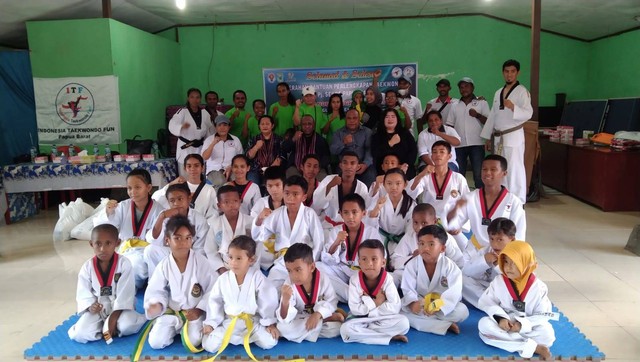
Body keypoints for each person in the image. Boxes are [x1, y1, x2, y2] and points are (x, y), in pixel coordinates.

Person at [144, 216, 214, 350]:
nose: (183, 242)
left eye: (188, 238)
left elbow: (213, 289)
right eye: (177, 238)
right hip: (172, 312)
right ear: (167, 240)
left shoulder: (201, 262)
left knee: (194, 341)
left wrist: (199, 310)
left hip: (194, 313)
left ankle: (185, 330)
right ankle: (174, 329)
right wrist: (156, 305)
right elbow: (157, 290)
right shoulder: (164, 265)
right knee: (156, 342)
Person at [68, 224, 145, 343]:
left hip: (121, 309)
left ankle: (140, 318)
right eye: (98, 244)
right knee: (80, 334)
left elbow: (126, 293)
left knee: (126, 326)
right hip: (98, 310)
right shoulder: (87, 267)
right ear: (91, 244)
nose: (103, 249)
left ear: (117, 243)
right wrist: (90, 306)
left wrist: (114, 317)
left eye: (108, 243)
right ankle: (104, 327)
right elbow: (83, 293)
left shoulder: (124, 264)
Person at [478, 241, 555, 360]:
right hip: (505, 323)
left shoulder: (539, 287)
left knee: (548, 334)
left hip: (528, 325)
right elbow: (486, 302)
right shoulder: (499, 281)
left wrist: (521, 325)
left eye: (514, 263)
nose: (508, 267)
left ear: (526, 263)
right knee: (484, 325)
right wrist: (500, 318)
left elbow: (544, 314)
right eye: (506, 262)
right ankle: (534, 347)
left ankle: (515, 343)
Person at [202, 236, 279, 354]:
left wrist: (269, 323)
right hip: (229, 323)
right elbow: (215, 302)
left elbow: (267, 300)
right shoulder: (223, 279)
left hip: (252, 322)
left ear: (251, 260)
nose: (233, 262)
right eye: (230, 257)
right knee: (209, 345)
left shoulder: (257, 277)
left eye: (239, 258)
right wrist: (211, 323)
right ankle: (240, 339)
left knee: (270, 341)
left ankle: (246, 338)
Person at [94, 169, 164, 289]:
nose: (132, 192)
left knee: (134, 267)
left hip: (144, 253)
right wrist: (109, 212)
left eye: (137, 187)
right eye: (129, 188)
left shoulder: (158, 209)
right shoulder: (122, 206)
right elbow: (104, 228)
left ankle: (128, 290)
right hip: (125, 250)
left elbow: (159, 237)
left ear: (148, 188)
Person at [252, 176, 324, 288]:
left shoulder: (309, 214)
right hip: (283, 263)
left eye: (295, 194)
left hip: (304, 262)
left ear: (304, 197)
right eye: (287, 193)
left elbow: (319, 242)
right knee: (270, 288)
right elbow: (259, 236)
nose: (290, 198)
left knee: (314, 286)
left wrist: (309, 263)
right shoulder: (277, 214)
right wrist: (260, 219)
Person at [447, 155, 526, 255]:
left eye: (493, 169)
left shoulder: (514, 201)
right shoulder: (470, 197)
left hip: (501, 253)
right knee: (465, 270)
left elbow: (519, 236)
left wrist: (509, 258)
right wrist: (455, 209)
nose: (488, 173)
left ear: (504, 173)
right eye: (484, 169)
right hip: (475, 251)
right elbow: (453, 225)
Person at [480, 59, 533, 204]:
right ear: (503, 73)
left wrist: (514, 107)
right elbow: (492, 115)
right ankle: (502, 197)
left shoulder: (522, 91)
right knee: (499, 168)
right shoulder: (498, 92)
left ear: (517, 73)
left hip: (513, 135)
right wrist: (487, 137)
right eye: (506, 71)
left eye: (512, 71)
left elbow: (529, 113)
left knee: (514, 168)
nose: (509, 75)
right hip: (498, 137)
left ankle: (518, 201)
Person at [401, 225, 469, 335]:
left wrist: (439, 305)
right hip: (421, 302)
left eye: (431, 244)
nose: (425, 248)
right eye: (421, 244)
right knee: (400, 311)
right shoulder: (412, 265)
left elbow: (454, 293)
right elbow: (408, 289)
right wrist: (413, 303)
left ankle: (428, 322)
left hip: (440, 305)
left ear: (442, 248)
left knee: (462, 311)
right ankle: (443, 325)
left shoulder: (451, 267)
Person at [340, 239, 410, 345]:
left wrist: (369, 306)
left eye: (374, 259)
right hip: (361, 319)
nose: (369, 263)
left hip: (382, 319)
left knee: (404, 323)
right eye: (364, 259)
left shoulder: (388, 279)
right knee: (345, 329)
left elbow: (395, 306)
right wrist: (376, 303)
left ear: (383, 262)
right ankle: (388, 337)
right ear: (359, 262)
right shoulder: (354, 280)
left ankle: (368, 335)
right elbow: (354, 309)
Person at [316, 193, 383, 302]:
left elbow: (379, 258)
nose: (350, 217)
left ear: (363, 213)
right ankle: (354, 297)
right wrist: (337, 242)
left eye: (354, 212)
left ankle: (343, 295)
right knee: (318, 267)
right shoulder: (336, 230)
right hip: (341, 270)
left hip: (363, 272)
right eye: (346, 213)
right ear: (341, 214)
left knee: (384, 277)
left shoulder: (371, 232)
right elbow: (327, 260)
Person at [408, 140, 470, 250]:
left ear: (449, 156)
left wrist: (460, 225)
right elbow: (411, 192)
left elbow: (467, 203)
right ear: (431, 156)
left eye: (442, 152)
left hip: (450, 223)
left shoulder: (458, 178)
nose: (438, 155)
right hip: (429, 222)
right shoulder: (426, 176)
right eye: (435, 152)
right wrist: (421, 174)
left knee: (466, 249)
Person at [277, 243, 344, 343]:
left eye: (298, 270)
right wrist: (285, 302)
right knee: (281, 328)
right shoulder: (288, 284)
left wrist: (318, 314)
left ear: (312, 267)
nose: (293, 275)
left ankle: (312, 326)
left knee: (339, 328)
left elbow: (332, 301)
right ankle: (324, 321)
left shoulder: (323, 279)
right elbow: (284, 318)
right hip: (300, 317)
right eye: (289, 271)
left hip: (317, 315)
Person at [144, 183, 210, 278]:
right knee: (150, 250)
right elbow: (152, 240)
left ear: (189, 199)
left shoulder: (199, 219)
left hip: (190, 256)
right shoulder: (164, 215)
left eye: (180, 199)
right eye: (172, 201)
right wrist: (161, 217)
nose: (176, 203)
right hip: (169, 253)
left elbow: (200, 249)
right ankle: (156, 282)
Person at [390, 204, 464, 287]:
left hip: (439, 277)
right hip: (414, 275)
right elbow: (394, 260)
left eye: (424, 223)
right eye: (415, 223)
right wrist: (412, 258)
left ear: (435, 222)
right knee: (393, 277)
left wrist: (440, 265)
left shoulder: (445, 238)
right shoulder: (409, 236)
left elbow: (459, 262)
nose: (419, 228)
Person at [446, 77, 490, 189]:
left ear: (472, 87)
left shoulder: (482, 103)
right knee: (459, 174)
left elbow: (489, 122)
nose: (464, 89)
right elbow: (450, 125)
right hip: (459, 145)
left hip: (477, 143)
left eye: (466, 86)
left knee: (478, 174)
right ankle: (459, 197)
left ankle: (480, 197)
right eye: (461, 87)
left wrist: (477, 115)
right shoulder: (455, 105)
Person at [463, 217, 516, 308]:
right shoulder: (487, 251)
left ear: (512, 239)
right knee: (462, 279)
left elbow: (516, 281)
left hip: (507, 292)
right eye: (491, 239)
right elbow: (467, 271)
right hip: (488, 289)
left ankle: (494, 306)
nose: (495, 244)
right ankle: (491, 305)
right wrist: (484, 260)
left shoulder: (519, 254)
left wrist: (497, 265)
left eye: (500, 239)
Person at [312, 151, 371, 231]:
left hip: (350, 228)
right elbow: (317, 205)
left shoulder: (362, 187)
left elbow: (364, 212)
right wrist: (329, 186)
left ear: (358, 167)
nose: (348, 166)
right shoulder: (329, 180)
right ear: (341, 165)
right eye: (345, 163)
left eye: (352, 163)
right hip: (328, 226)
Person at [204, 186, 253, 276]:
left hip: (247, 268)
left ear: (240, 202)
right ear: (219, 206)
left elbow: (257, 248)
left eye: (235, 201)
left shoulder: (250, 222)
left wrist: (250, 268)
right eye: (226, 202)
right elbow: (210, 250)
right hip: (224, 268)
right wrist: (221, 269)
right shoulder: (215, 224)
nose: (231, 205)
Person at [367, 168, 415, 259]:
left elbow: (411, 229)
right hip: (381, 238)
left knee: (400, 262)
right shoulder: (379, 200)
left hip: (402, 241)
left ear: (405, 184)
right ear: (384, 185)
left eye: (398, 183)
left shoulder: (411, 204)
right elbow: (369, 225)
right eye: (389, 183)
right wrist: (377, 208)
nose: (393, 187)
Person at [152, 154, 218, 219]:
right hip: (179, 225)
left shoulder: (209, 190)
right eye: (189, 166)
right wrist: (171, 184)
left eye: (196, 166)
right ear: (184, 168)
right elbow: (155, 199)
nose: (192, 169)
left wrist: (203, 226)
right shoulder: (178, 187)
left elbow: (213, 215)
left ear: (202, 168)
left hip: (201, 226)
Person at [168, 88, 213, 177]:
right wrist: (181, 127)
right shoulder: (182, 112)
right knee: (185, 174)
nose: (195, 100)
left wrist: (209, 144)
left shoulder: (205, 113)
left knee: (199, 173)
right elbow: (172, 124)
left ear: (200, 99)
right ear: (188, 98)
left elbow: (209, 130)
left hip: (200, 147)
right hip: (186, 148)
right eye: (192, 97)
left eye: (197, 97)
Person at [249, 166, 285, 270]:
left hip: (285, 251)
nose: (274, 189)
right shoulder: (261, 203)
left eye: (277, 185)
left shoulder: (291, 203)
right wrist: (260, 218)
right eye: (270, 186)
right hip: (264, 253)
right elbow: (254, 233)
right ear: (265, 186)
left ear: (284, 184)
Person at [330, 109, 376, 185]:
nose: (352, 121)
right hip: (345, 165)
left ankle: (365, 197)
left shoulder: (367, 132)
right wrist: (343, 143)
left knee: (370, 176)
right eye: (349, 118)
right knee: (340, 181)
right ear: (345, 119)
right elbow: (333, 151)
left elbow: (370, 151)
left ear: (359, 119)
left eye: (354, 118)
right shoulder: (338, 133)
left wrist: (365, 164)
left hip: (362, 164)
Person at [371, 108, 418, 179]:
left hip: (404, 167)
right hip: (384, 169)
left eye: (393, 117)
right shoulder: (377, 136)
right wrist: (390, 143)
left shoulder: (405, 133)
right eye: (387, 117)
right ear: (383, 119)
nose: (390, 119)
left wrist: (406, 164)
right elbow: (375, 153)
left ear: (397, 119)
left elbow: (413, 150)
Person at [201, 115, 243, 189]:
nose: (222, 128)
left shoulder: (235, 140)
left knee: (236, 180)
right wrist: (213, 143)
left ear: (229, 127)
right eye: (219, 125)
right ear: (215, 127)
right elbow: (204, 157)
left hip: (231, 169)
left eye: (225, 125)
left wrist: (231, 167)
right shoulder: (209, 140)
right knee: (220, 181)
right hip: (214, 170)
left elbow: (240, 158)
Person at [282, 114, 330, 179]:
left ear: (313, 125)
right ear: (301, 125)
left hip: (315, 169)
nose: (307, 126)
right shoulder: (295, 136)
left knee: (323, 178)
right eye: (304, 124)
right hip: (296, 167)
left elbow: (326, 157)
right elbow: (284, 148)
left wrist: (318, 167)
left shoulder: (320, 140)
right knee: (291, 175)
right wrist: (293, 139)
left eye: (309, 124)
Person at [246, 115, 285, 187]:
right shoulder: (254, 139)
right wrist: (256, 147)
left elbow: (282, 155)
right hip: (255, 170)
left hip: (273, 169)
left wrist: (276, 163)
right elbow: (249, 157)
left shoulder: (279, 139)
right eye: (262, 124)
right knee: (253, 185)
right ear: (259, 126)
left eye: (267, 124)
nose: (265, 126)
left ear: (272, 126)